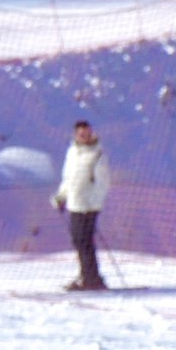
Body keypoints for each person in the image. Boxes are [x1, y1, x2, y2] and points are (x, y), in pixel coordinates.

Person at [52, 119, 112, 291]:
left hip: (89, 206)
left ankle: (91, 278)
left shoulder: (97, 154)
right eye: (81, 134)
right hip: (74, 204)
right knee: (78, 241)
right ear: (76, 135)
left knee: (85, 241)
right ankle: (88, 276)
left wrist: (93, 203)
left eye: (87, 133)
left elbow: (103, 183)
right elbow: (68, 179)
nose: (84, 137)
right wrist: (61, 196)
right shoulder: (72, 152)